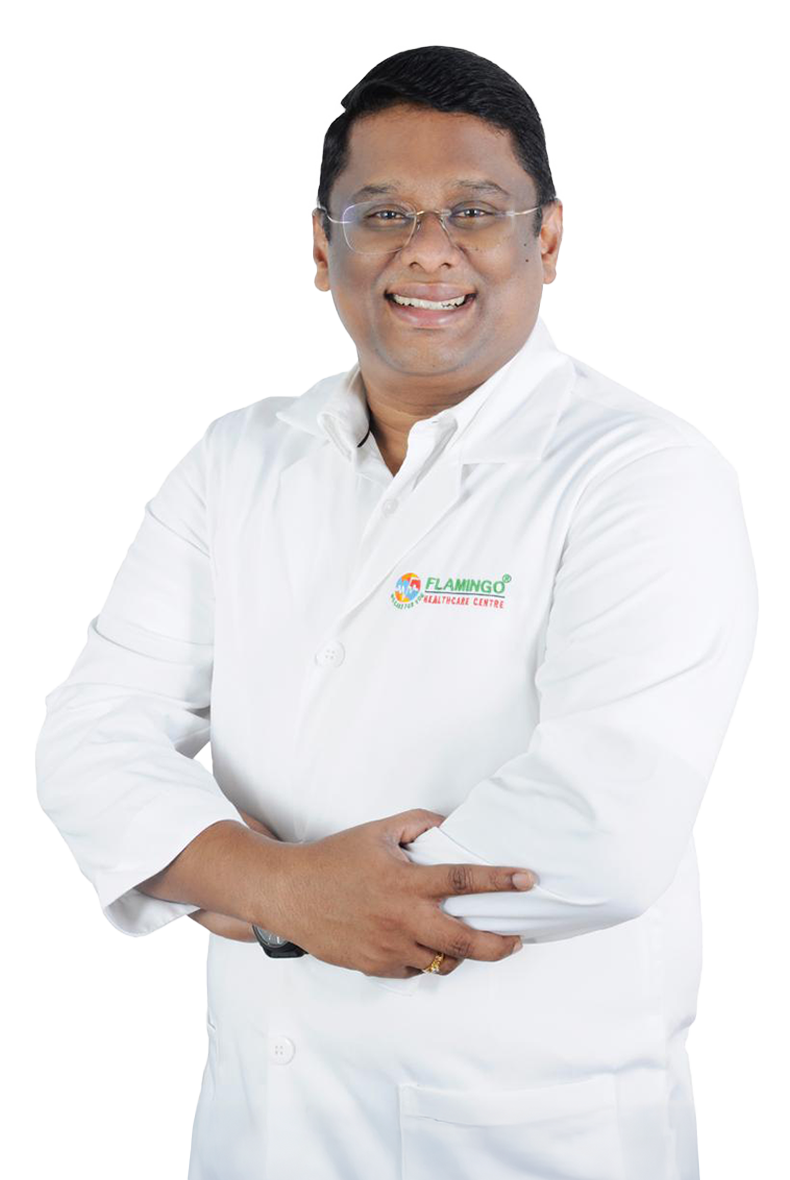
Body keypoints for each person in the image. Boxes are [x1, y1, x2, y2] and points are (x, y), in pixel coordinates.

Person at [35, 43, 758, 1180]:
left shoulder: (641, 474)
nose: (427, 249)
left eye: (474, 211)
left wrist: (228, 882)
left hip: (524, 1136)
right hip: (260, 1129)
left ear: (547, 241)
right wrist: (279, 890)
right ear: (321, 248)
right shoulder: (237, 459)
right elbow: (92, 734)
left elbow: (601, 825)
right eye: (382, 213)